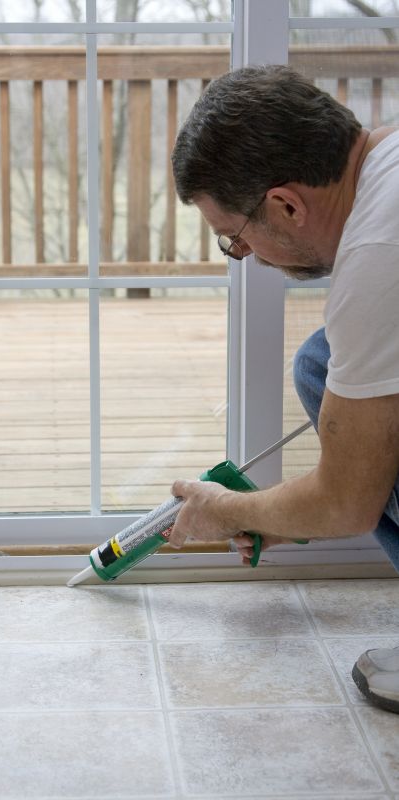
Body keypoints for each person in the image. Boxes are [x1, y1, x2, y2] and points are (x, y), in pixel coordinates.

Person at [168, 64, 399, 715]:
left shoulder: (380, 253)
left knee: (325, 365)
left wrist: (229, 511)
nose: (247, 255)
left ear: (287, 204)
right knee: (322, 360)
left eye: (234, 240)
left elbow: (346, 503)